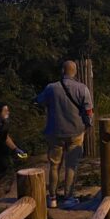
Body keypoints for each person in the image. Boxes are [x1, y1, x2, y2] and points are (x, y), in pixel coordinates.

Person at [36, 60, 94, 209]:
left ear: (62, 71)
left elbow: (39, 101)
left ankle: (53, 198)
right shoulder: (82, 88)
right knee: (71, 165)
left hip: (54, 132)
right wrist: (88, 125)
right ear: (75, 72)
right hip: (76, 131)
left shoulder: (51, 88)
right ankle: (68, 197)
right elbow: (88, 111)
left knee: (54, 165)